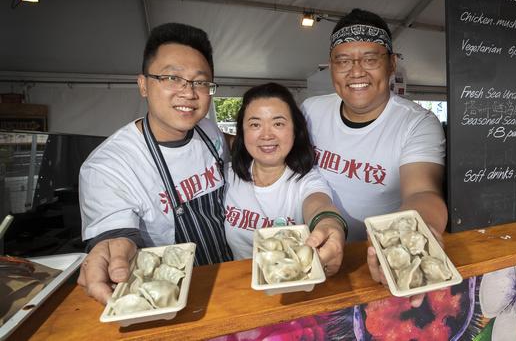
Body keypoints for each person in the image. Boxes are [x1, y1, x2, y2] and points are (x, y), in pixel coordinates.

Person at [300, 8, 448, 305]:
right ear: (331, 67)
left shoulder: (416, 123)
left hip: (379, 262)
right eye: (343, 61)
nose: (356, 72)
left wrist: (416, 235)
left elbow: (422, 190)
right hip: (318, 254)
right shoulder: (310, 110)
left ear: (391, 64)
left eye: (370, 59)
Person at [77, 23, 232, 304]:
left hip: (229, 277)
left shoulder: (209, 132)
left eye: (200, 81)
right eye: (172, 78)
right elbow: (114, 236)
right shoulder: (108, 165)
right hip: (169, 297)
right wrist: (113, 251)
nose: (189, 92)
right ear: (143, 85)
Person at [224, 83, 346, 276]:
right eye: (255, 124)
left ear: (295, 130)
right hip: (240, 290)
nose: (266, 135)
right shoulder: (227, 177)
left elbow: (318, 205)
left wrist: (329, 225)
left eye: (278, 123)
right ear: (242, 131)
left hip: (291, 288)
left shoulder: (306, 180)